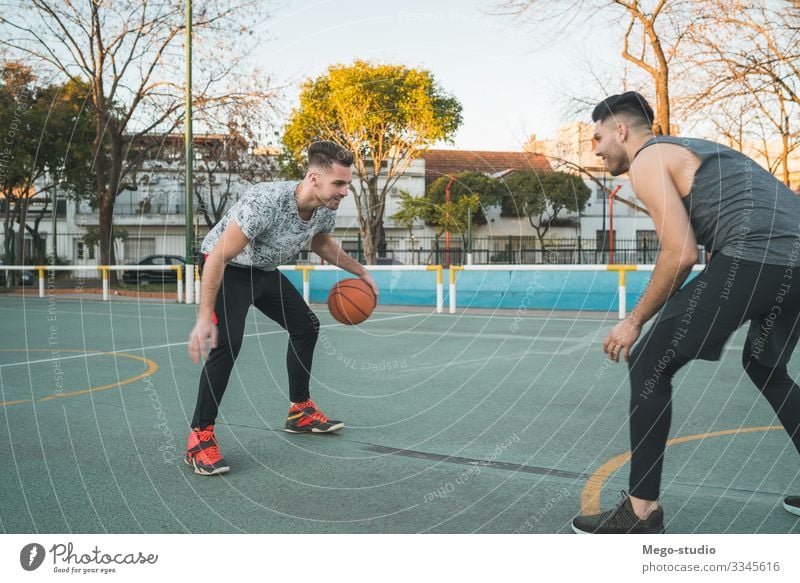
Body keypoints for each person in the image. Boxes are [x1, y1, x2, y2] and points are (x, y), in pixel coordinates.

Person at [572, 92, 800, 533]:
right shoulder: (700, 150)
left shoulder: (648, 159)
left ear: (621, 130)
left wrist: (633, 320)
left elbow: (679, 253)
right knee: (766, 366)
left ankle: (641, 513)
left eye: (597, 137)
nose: (595, 149)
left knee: (649, 362)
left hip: (757, 259)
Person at [185, 141, 378, 476]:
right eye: (339, 183)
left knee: (306, 326)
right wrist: (204, 318)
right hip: (228, 268)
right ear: (314, 178)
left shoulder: (324, 207)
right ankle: (200, 436)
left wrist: (360, 271)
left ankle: (300, 410)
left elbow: (321, 243)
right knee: (227, 341)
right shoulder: (265, 202)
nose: (345, 191)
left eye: (347, 184)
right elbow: (218, 256)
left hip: (263, 272)